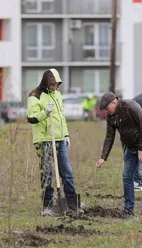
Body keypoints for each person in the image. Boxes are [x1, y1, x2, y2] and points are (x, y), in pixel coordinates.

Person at [27, 68, 82, 216]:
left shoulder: (57, 94)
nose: (55, 87)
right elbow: (31, 118)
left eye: (57, 84)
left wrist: (66, 134)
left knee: (67, 172)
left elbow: (61, 116)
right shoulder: (35, 96)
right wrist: (45, 113)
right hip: (43, 139)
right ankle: (48, 206)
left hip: (59, 139)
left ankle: (72, 203)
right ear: (46, 83)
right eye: (53, 84)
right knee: (47, 174)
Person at [96, 92, 142, 217]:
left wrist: (141, 148)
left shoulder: (131, 106)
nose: (107, 111)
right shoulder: (111, 115)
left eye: (107, 108)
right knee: (127, 177)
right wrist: (103, 157)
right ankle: (128, 209)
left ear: (114, 101)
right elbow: (109, 136)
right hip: (130, 147)